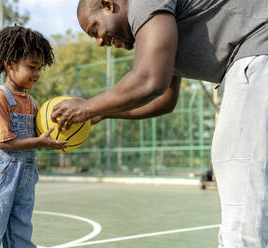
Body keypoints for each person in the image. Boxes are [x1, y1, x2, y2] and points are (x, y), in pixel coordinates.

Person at [50, 0, 268, 247]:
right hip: (254, 60)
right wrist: (102, 113)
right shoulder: (158, 22)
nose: (99, 42)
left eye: (94, 30)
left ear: (108, 4)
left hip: (258, 54)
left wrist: (88, 106)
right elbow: (164, 99)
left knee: (238, 176)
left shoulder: (142, 2)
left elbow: (150, 80)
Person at [0, 25, 67, 248]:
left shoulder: (32, 102)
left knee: (21, 231)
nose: (36, 73)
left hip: (24, 177)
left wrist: (55, 133)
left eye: (39, 68)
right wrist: (41, 142)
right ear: (9, 63)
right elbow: (5, 142)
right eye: (32, 66)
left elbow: (40, 135)